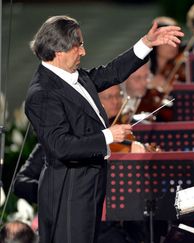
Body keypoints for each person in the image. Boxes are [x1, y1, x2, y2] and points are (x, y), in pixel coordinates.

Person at [24, 15, 183, 243]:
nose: (83, 52)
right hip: (69, 193)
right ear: (59, 52)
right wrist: (109, 135)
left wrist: (146, 43)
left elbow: (112, 72)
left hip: (88, 186)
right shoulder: (42, 94)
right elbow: (61, 146)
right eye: (78, 46)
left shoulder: (73, 76)